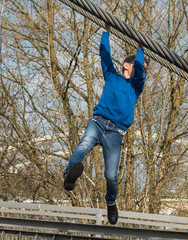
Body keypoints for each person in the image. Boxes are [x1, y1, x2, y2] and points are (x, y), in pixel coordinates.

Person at [63, 24, 147, 225]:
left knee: (111, 175)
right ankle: (68, 176)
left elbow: (142, 73)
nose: (140, 69)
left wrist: (141, 48)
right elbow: (104, 54)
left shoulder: (136, 87)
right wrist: (106, 31)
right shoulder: (112, 75)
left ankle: (111, 202)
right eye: (137, 64)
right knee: (83, 145)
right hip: (98, 122)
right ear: (127, 65)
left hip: (116, 133)